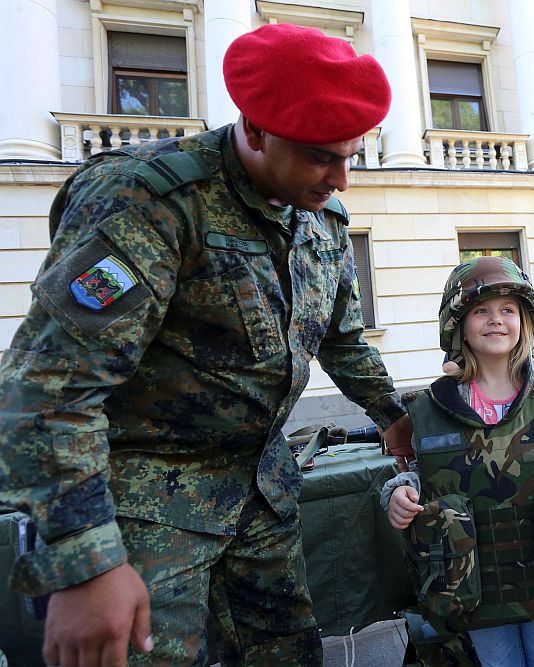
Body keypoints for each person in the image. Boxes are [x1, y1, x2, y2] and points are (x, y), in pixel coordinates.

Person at [0, 24, 413, 666]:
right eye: (320, 156)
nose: (342, 178)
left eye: (349, 154)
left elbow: (342, 338)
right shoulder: (149, 201)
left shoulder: (321, 217)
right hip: (148, 507)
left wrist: (393, 414)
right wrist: (86, 560)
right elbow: (48, 387)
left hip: (262, 494)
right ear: (253, 130)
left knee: (285, 655)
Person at [383, 256, 534, 667]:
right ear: (458, 324)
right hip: (475, 582)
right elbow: (419, 475)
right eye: (481, 310)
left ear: (525, 321)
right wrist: (399, 494)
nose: (496, 320)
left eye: (508, 309)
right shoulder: (432, 407)